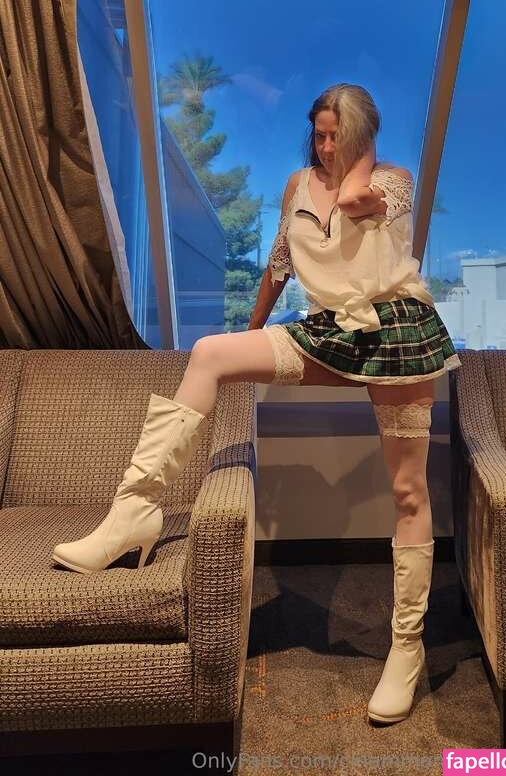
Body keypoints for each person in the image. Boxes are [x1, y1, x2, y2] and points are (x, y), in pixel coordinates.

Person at [51, 83, 462, 726]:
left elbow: (354, 200)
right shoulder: (297, 185)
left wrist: (357, 154)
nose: (326, 147)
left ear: (363, 136)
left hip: (397, 334)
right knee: (211, 354)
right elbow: (279, 264)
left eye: (339, 135)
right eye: (319, 134)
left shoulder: (391, 180)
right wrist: (252, 328)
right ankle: (134, 512)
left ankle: (406, 648)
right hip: (327, 331)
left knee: (408, 492)